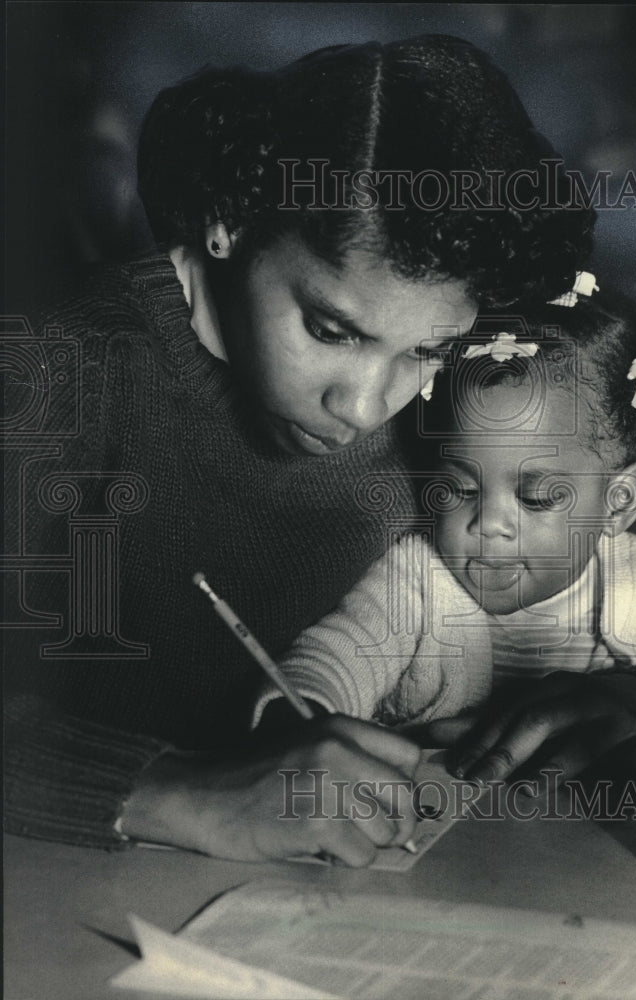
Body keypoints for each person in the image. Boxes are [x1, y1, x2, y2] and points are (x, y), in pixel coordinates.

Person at [3, 36, 594, 865]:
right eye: (330, 329)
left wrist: (626, 689)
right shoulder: (51, 374)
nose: (363, 405)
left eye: (428, 352)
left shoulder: (462, 408)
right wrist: (176, 791)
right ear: (229, 221)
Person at [254, 278, 636, 786]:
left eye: (536, 498)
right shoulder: (417, 581)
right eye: (459, 489)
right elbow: (331, 659)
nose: (488, 525)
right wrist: (295, 723)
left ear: (618, 502)